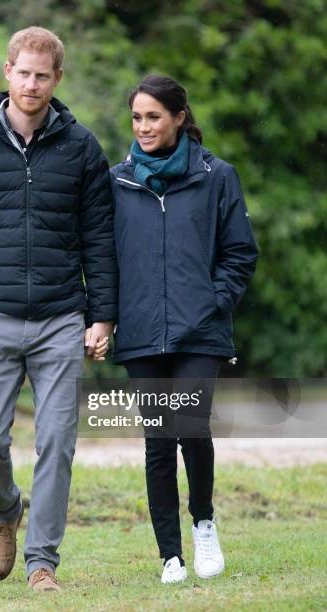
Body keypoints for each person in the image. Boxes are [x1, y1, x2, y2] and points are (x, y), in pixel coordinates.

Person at [0, 26, 117, 592]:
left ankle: (42, 563)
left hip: (61, 315)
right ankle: (6, 510)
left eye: (43, 75)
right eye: (23, 72)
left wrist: (101, 315)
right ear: (6, 72)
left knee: (58, 440)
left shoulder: (82, 148)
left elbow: (100, 238)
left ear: (58, 79)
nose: (32, 84)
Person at [110, 75, 259, 584]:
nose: (144, 127)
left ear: (178, 117)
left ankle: (204, 523)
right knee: (158, 439)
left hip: (200, 329)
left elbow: (240, 252)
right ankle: (169, 555)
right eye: (136, 117)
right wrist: (107, 316)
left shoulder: (219, 176)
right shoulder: (119, 182)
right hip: (141, 330)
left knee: (191, 428)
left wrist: (213, 302)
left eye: (154, 116)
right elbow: (104, 259)